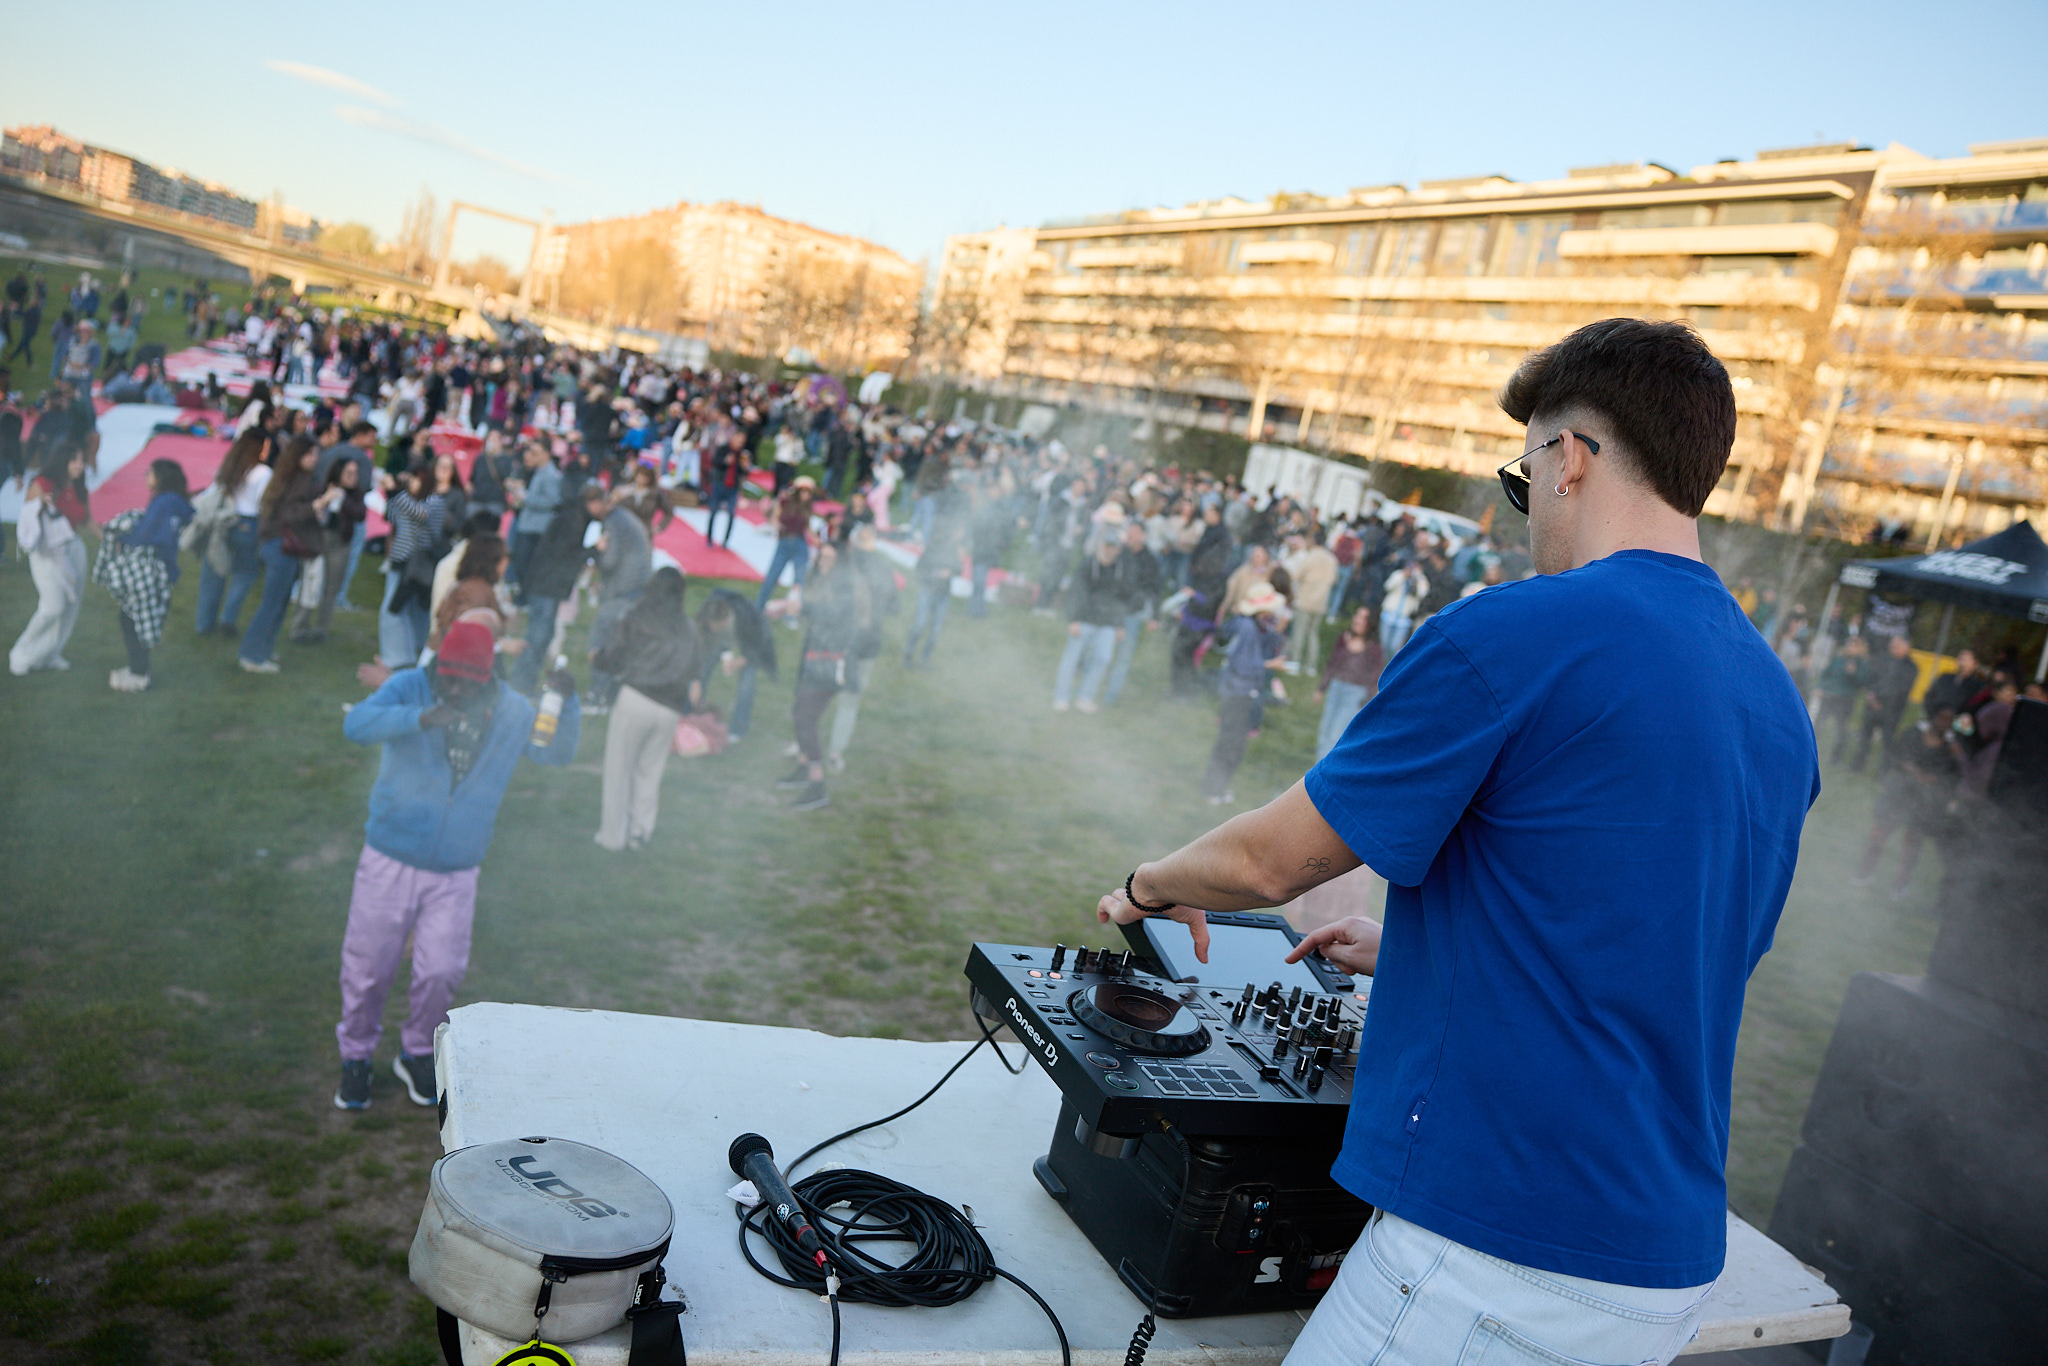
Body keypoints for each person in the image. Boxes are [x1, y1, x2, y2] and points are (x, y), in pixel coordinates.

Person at [1098, 319, 1817, 1366]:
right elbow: (1659, 955)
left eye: (1522, 479)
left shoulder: (1518, 631)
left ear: (1568, 459)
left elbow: (1272, 862)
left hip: (1497, 1243)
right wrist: (1420, 954)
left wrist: (1151, 884)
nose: (1528, 512)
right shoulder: (1776, 702)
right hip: (1661, 1266)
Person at [334, 623, 582, 1109]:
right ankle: (355, 1056)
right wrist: (421, 718)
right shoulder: (409, 686)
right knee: (368, 968)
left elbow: (554, 752)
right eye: (449, 680)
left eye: (468, 683)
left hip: (456, 867)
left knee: (441, 971)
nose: (457, 691)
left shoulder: (512, 710)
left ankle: (415, 1052)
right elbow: (356, 724)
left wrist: (566, 704)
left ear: (488, 677)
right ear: (437, 670)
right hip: (390, 856)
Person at [592, 567, 702, 851]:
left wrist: (598, 659)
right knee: (650, 772)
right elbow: (695, 669)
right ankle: (640, 833)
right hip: (670, 707)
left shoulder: (636, 616)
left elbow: (613, 655)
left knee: (619, 770)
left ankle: (613, 837)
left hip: (636, 698)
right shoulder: (689, 628)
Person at [778, 543, 874, 811]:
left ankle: (817, 785)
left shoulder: (845, 585)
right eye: (822, 556)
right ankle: (803, 768)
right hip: (817, 659)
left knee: (804, 718)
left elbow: (835, 615)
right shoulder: (827, 581)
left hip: (830, 664)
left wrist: (802, 608)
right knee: (802, 713)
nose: (824, 562)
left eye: (831, 558)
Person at [101, 459, 195, 691]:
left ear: (161, 476)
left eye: (150, 472)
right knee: (134, 618)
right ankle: (138, 669)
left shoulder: (163, 502)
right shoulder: (175, 501)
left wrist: (123, 537)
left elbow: (147, 534)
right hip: (164, 569)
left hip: (152, 568)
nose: (146, 476)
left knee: (131, 619)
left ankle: (139, 674)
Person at [1853, 708, 1960, 893]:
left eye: (1950, 720)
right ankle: (1865, 872)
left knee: (1912, 844)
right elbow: (1895, 755)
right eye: (1942, 718)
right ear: (1933, 717)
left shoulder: (1951, 749)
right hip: (1900, 792)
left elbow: (1952, 776)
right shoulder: (1913, 734)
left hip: (1926, 801)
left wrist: (1935, 779)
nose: (1945, 723)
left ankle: (1900, 884)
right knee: (1880, 833)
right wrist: (1911, 772)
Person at [239, 436, 322, 673]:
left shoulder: (285, 476)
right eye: (310, 454)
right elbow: (291, 514)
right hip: (282, 546)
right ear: (298, 455)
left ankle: (262, 649)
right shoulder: (298, 479)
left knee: (278, 603)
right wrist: (316, 506)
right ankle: (252, 654)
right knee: (272, 603)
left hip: (275, 543)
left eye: (316, 454)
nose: (315, 459)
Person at [1198, 583, 1287, 803]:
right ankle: (1212, 790)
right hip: (1238, 693)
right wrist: (1270, 664)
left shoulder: (1250, 625)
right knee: (1230, 744)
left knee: (1233, 744)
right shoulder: (1248, 628)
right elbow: (1243, 665)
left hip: (1239, 692)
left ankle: (1218, 788)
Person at [9, 443, 92, 676]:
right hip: (47, 551)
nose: (81, 465)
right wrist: (41, 503)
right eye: (76, 460)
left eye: (82, 461)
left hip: (73, 548)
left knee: (70, 607)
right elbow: (27, 519)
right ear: (63, 461)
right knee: (53, 607)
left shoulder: (79, 487)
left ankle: (50, 653)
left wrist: (111, 537)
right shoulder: (42, 483)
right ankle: (21, 654)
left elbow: (87, 519)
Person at [511, 483, 602, 694]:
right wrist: (594, 550)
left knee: (542, 634)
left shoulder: (572, 515)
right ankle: (521, 684)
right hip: (546, 585)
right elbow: (565, 553)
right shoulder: (574, 519)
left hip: (545, 583)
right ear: (594, 502)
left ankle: (525, 683)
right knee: (538, 637)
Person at [823, 521, 900, 772]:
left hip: (836, 640)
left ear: (853, 542)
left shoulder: (841, 563)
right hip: (868, 643)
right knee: (850, 700)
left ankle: (805, 743)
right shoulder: (883, 568)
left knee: (819, 692)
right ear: (874, 542)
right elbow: (894, 607)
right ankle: (835, 751)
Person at [193, 429, 271, 636]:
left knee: (213, 573)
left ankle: (203, 623)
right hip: (248, 524)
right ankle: (228, 618)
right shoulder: (263, 472)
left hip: (224, 521)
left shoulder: (230, 466)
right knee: (244, 574)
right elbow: (263, 504)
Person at [587, 486, 654, 709]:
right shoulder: (624, 517)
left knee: (600, 639)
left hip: (625, 589)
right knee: (622, 643)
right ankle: (613, 694)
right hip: (638, 587)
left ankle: (598, 693)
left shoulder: (613, 523)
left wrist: (597, 553)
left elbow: (610, 560)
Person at [289, 458, 366, 643]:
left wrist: (343, 499)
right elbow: (310, 509)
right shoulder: (322, 488)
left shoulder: (355, 495)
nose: (353, 477)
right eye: (349, 473)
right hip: (319, 540)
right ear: (338, 473)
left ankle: (321, 629)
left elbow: (360, 514)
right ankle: (299, 627)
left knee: (331, 588)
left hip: (340, 543)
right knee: (310, 582)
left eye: (355, 473)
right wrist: (327, 498)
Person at [1053, 527, 1128, 714]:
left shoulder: (1120, 570)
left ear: (1118, 549)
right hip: (1084, 620)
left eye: (1113, 547)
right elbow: (1075, 592)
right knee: (1071, 659)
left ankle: (1085, 697)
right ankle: (1061, 698)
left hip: (1107, 623)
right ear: (1101, 545)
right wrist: (1074, 619)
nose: (1109, 549)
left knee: (1103, 659)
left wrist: (1120, 625)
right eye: (1107, 545)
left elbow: (1122, 598)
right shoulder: (1087, 565)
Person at [900, 490, 968, 669]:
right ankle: (908, 655)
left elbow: (957, 570)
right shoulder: (935, 546)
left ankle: (925, 660)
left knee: (936, 630)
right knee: (920, 624)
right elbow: (920, 568)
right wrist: (937, 573)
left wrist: (956, 564)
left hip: (943, 593)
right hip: (928, 590)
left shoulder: (956, 549)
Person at [1103, 516, 1166, 707]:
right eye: (1129, 531)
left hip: (1132, 613)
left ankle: (1111, 696)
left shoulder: (1150, 560)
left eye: (1135, 532)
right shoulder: (1120, 553)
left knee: (1124, 655)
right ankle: (1093, 683)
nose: (1130, 535)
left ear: (1143, 536)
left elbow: (1156, 589)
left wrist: (1155, 617)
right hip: (1111, 609)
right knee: (1103, 649)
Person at [1314, 605, 1384, 761]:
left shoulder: (1374, 648)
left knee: (1336, 734)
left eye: (1363, 618)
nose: (1357, 620)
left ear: (1370, 623)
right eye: (1357, 616)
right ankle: (1319, 766)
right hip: (1336, 687)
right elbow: (1332, 664)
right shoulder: (1343, 638)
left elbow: (1375, 676)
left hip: (1355, 693)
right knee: (1324, 730)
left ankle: (1324, 768)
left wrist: (1369, 699)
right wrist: (1321, 688)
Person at [1854, 633, 1919, 773]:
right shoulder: (1882, 660)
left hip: (1892, 711)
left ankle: (1884, 771)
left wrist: (1882, 700)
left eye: (1896, 645)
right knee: (1865, 737)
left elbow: (1902, 689)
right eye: (1892, 644)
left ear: (1906, 647)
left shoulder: (1911, 667)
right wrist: (1872, 695)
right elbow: (1871, 678)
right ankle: (1858, 765)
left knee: (1887, 742)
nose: (1892, 647)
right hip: (1872, 706)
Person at [1284, 530, 1340, 673]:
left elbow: (1296, 575)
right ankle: (1311, 665)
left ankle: (1295, 661)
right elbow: (1334, 580)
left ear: (1313, 541)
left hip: (1305, 599)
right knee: (1313, 634)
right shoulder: (1331, 559)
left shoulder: (1309, 557)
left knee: (1299, 632)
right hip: (1321, 602)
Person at [757, 477, 816, 609]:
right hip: (784, 542)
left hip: (800, 543)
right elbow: (774, 518)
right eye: (804, 491)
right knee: (771, 578)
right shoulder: (784, 502)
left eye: (809, 492)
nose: (806, 495)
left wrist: (818, 540)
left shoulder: (807, 507)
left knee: (799, 582)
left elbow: (808, 528)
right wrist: (777, 526)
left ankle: (792, 612)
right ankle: (758, 608)